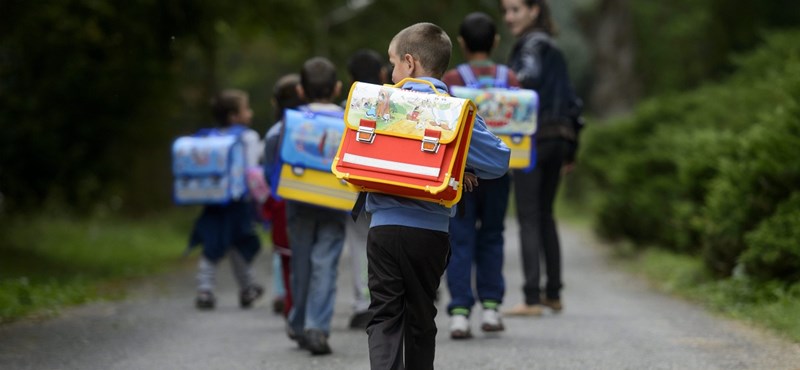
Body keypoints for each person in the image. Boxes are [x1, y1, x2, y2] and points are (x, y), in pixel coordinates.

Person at [365, 22, 510, 370]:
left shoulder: (379, 104)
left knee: (384, 315)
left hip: (382, 228)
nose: (392, 70)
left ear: (410, 63)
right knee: (420, 316)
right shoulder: (454, 111)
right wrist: (459, 164)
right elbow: (499, 161)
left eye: (394, 61)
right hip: (429, 232)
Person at [500, 0, 584, 316]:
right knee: (546, 213)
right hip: (561, 138)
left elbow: (526, 78)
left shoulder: (531, 45)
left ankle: (532, 298)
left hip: (533, 140)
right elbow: (575, 105)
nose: (509, 17)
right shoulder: (555, 48)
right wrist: (572, 150)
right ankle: (554, 294)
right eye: (505, 11)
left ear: (534, 10)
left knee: (529, 215)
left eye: (515, 10)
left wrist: (505, 83)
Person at [440, 11, 519, 339]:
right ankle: (491, 308)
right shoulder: (510, 78)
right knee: (492, 235)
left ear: (461, 43)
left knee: (458, 238)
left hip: (462, 173)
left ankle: (459, 312)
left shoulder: (453, 81)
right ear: (496, 41)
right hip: (500, 173)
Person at [281, 57, 347, 356]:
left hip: (298, 198)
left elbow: (273, 151)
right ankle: (317, 327)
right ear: (337, 88)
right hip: (335, 201)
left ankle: (297, 323)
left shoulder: (292, 120)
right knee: (326, 264)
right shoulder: (348, 119)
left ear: (300, 90)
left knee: (302, 264)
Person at [188, 89, 264, 310]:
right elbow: (251, 170)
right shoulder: (247, 137)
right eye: (246, 109)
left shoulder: (208, 137)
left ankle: (205, 289)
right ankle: (247, 287)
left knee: (212, 244)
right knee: (240, 245)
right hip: (238, 203)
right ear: (233, 116)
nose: (250, 113)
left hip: (213, 202)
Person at [342, 49, 389, 330]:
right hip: (391, 188)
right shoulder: (398, 105)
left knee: (360, 244)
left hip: (356, 191)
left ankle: (364, 304)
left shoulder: (346, 107)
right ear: (383, 74)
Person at [262, 73, 305, 318]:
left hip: (282, 204)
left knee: (286, 259)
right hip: (314, 200)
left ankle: (289, 303)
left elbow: (269, 174)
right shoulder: (316, 125)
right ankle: (307, 309)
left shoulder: (274, 132)